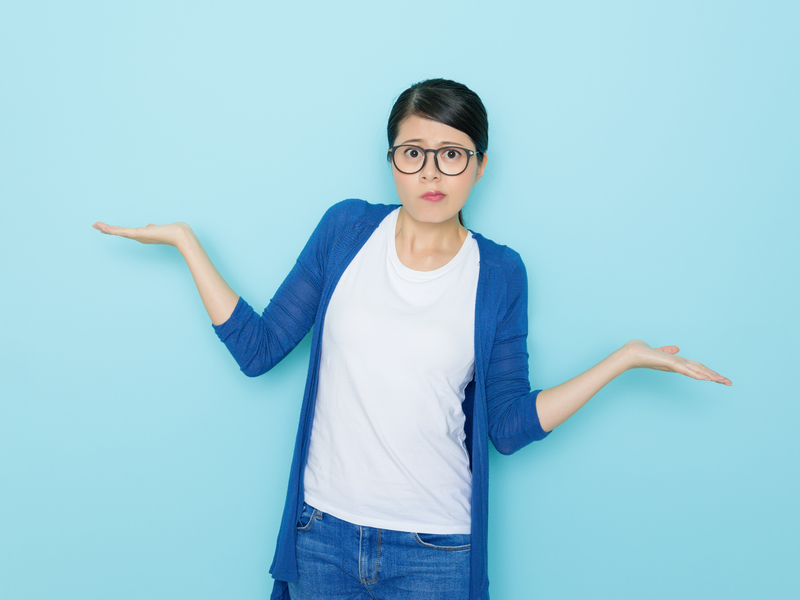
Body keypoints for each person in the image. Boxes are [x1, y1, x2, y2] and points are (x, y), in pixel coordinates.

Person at [93, 78, 731, 600]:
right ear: (392, 161)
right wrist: (185, 243)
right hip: (322, 536)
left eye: (452, 153)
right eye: (413, 151)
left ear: (479, 166)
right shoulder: (345, 232)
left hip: (435, 551)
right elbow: (261, 351)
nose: (432, 171)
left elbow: (506, 427)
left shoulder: (499, 272)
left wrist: (620, 361)